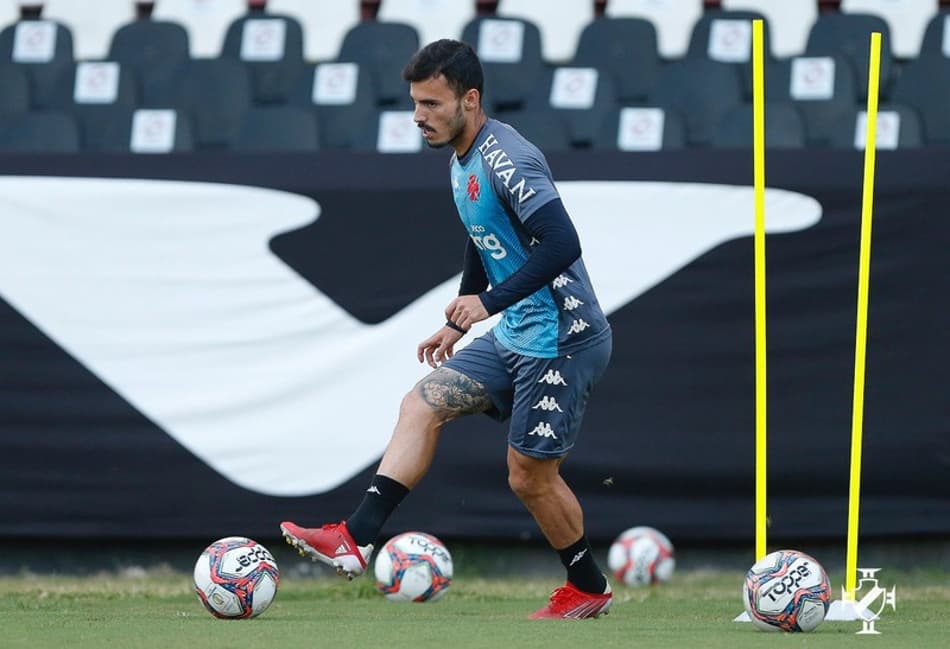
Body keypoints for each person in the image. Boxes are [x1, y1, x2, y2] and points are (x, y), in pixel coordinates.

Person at [280, 39, 613, 620]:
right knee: (421, 403)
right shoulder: (462, 158)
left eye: (432, 103)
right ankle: (355, 539)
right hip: (517, 333)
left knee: (529, 478)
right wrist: (458, 318)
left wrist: (489, 302)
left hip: (563, 338)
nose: (418, 116)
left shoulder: (509, 159)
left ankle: (588, 586)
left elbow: (563, 243)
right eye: (414, 103)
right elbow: (484, 234)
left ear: (470, 99)